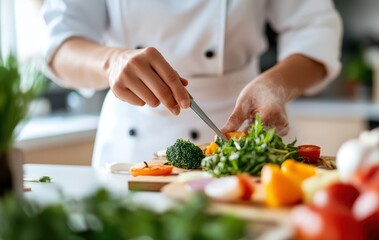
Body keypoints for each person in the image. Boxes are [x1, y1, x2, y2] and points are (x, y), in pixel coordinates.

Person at [42, 0, 342, 169]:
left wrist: (277, 85)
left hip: (248, 123)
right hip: (132, 142)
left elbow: (315, 28)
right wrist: (112, 62)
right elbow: (59, 47)